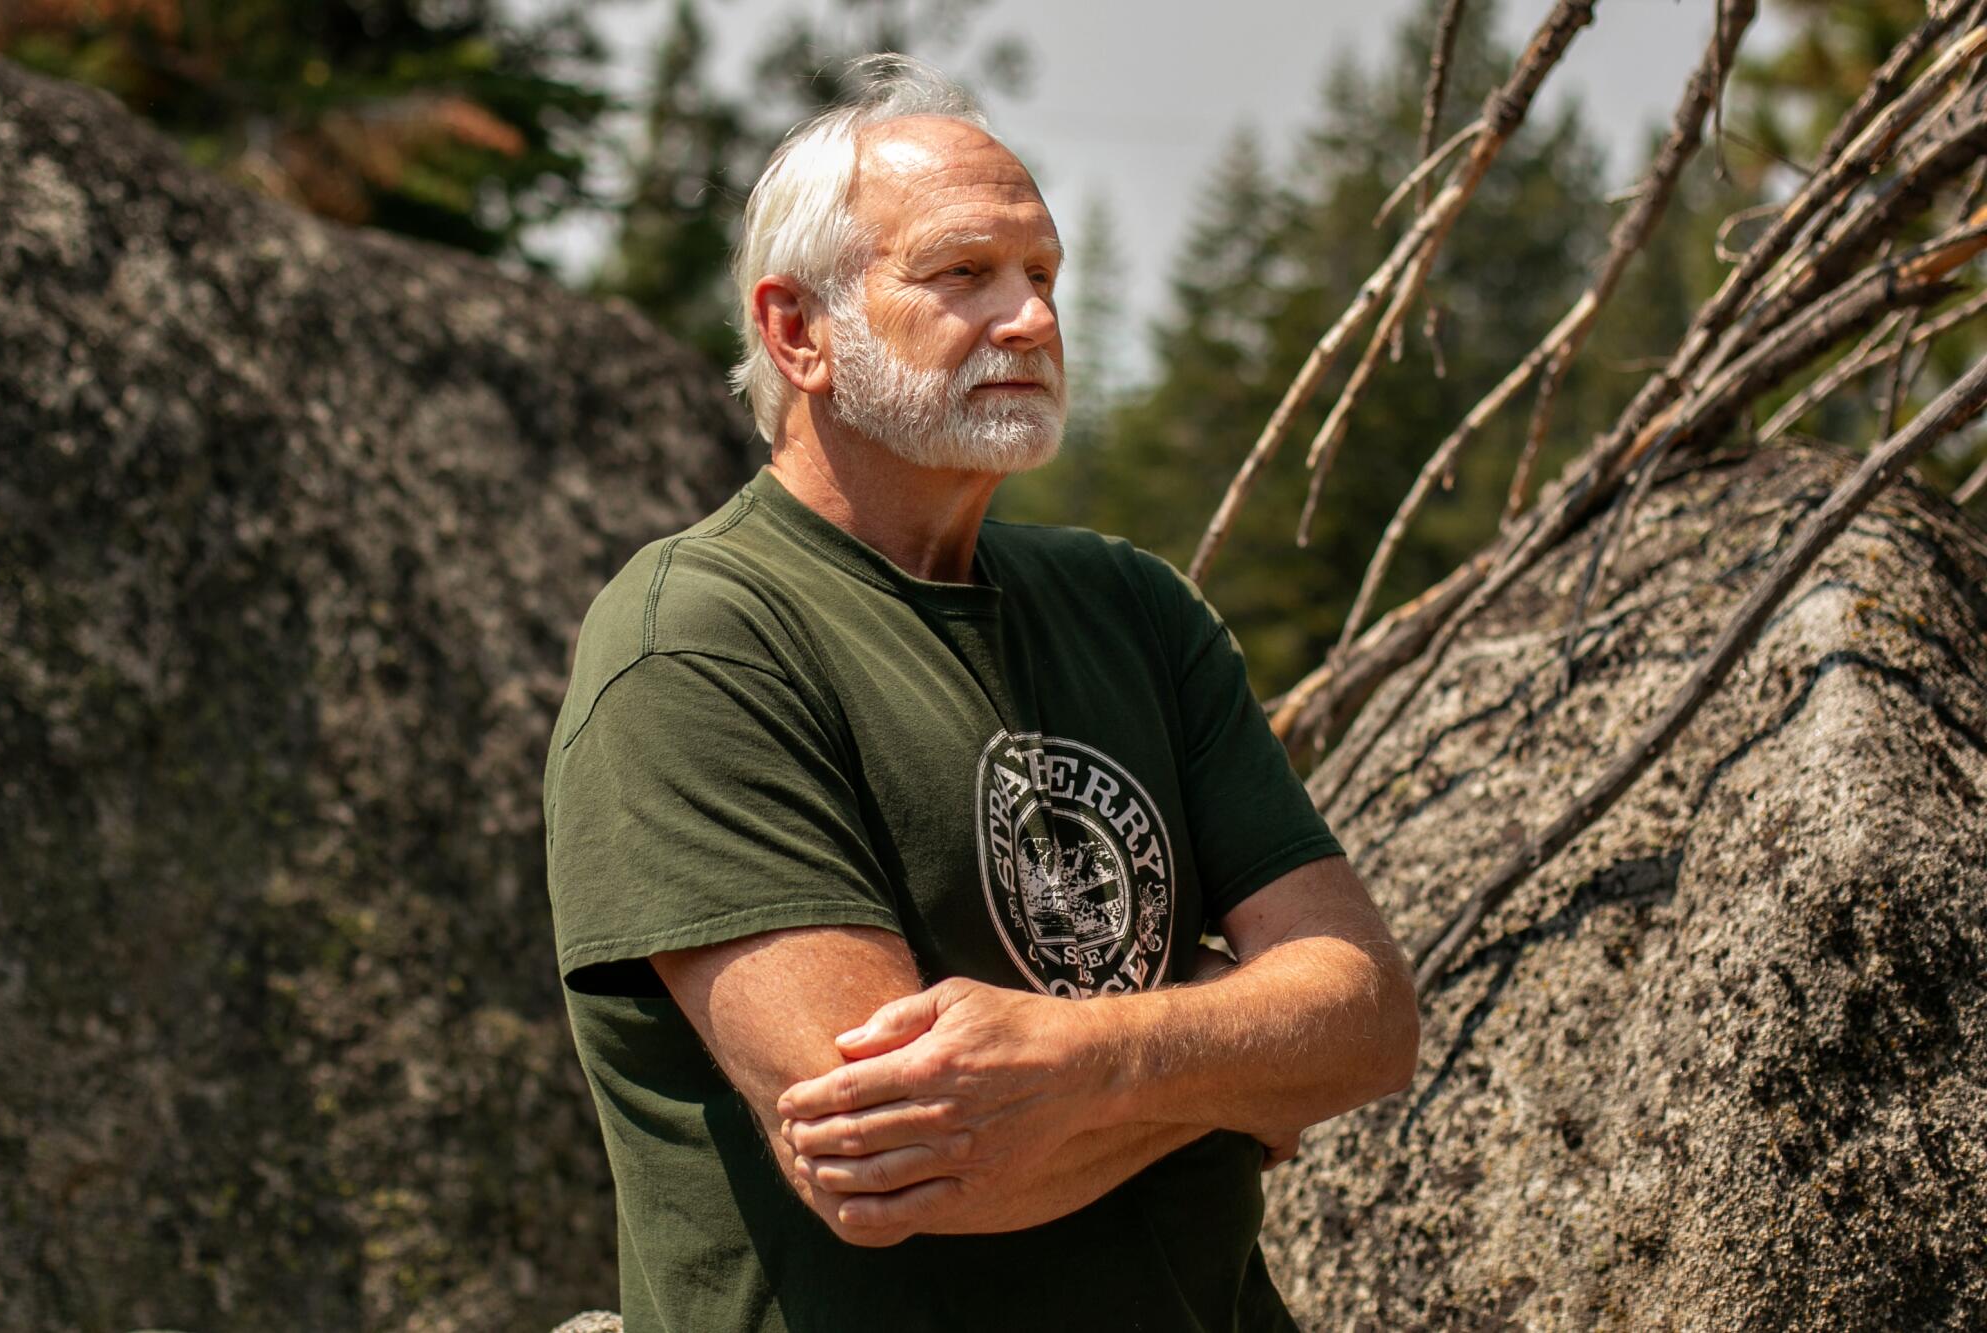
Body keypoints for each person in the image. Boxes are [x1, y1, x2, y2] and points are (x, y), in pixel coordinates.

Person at [542, 55, 1420, 1333]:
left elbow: (1368, 1020)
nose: (1031, 320)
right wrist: (1228, 1071)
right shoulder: (695, 644)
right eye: (963, 275)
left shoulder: (1132, 606)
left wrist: (1087, 1062)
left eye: (1044, 276)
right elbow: (911, 1166)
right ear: (798, 331)